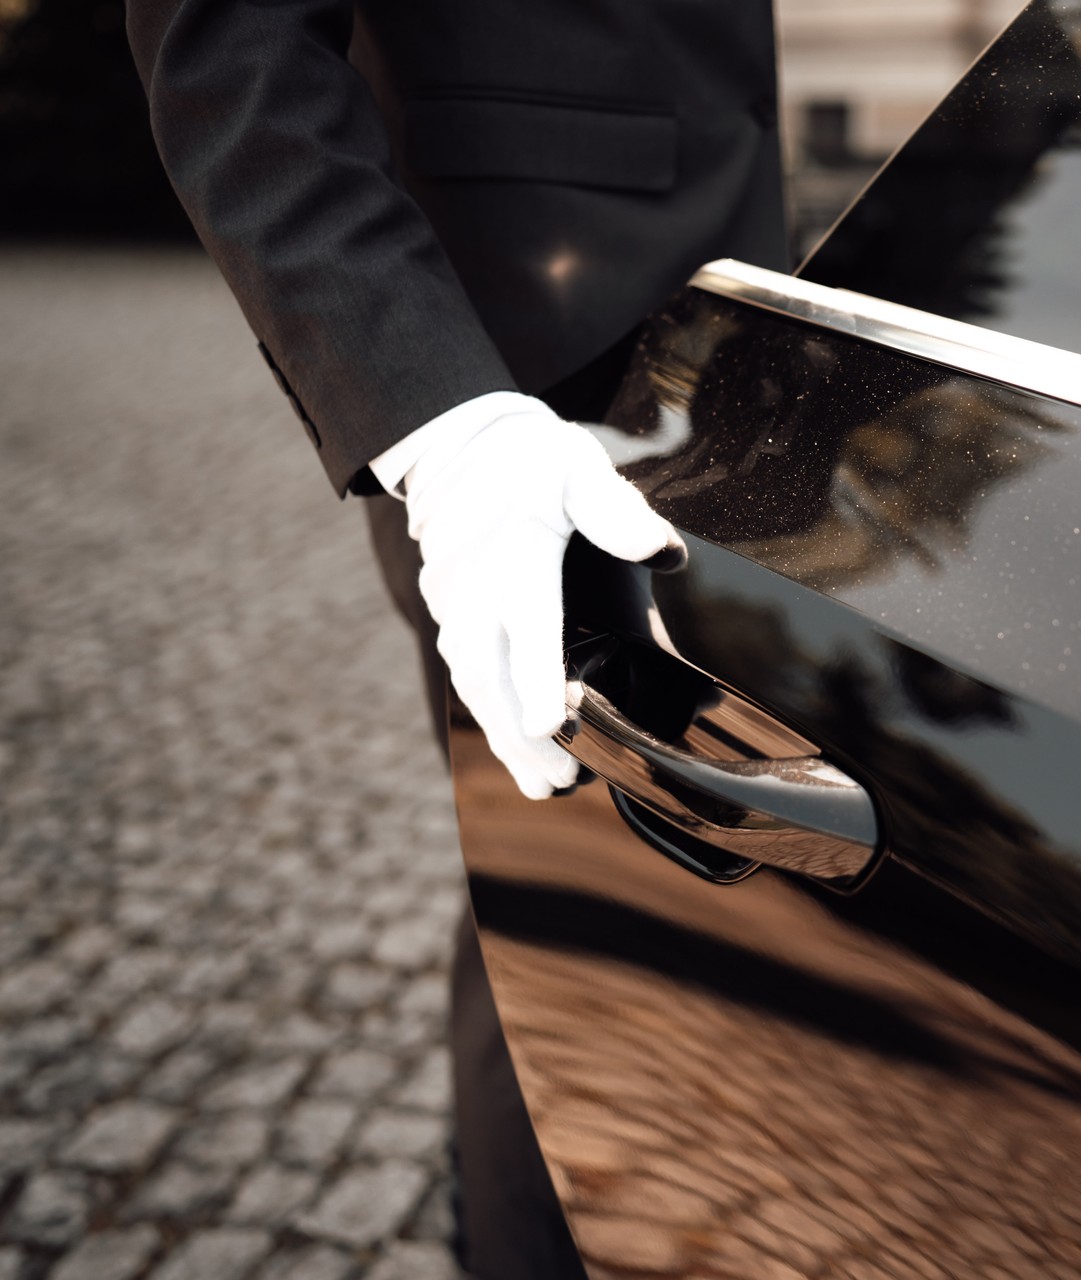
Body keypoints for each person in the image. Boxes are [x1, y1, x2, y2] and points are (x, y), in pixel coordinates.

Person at [123, 0, 789, 1274]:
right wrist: (441, 411)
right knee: (565, 898)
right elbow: (223, 44)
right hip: (522, 375)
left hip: (730, 327)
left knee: (578, 895)